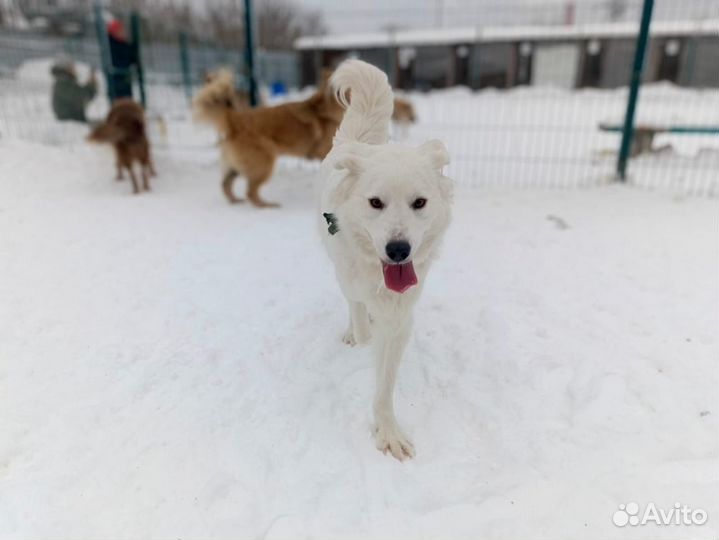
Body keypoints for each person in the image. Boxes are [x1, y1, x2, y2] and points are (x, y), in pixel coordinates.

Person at [50, 58, 97, 123]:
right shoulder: (62, 83)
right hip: (70, 121)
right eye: (71, 66)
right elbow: (81, 96)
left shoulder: (67, 82)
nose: (74, 68)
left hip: (74, 120)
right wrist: (91, 84)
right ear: (66, 68)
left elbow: (87, 96)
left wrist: (92, 83)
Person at [106, 18, 135, 100]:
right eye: (121, 30)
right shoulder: (114, 46)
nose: (124, 32)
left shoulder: (121, 44)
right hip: (118, 83)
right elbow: (124, 61)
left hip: (123, 81)